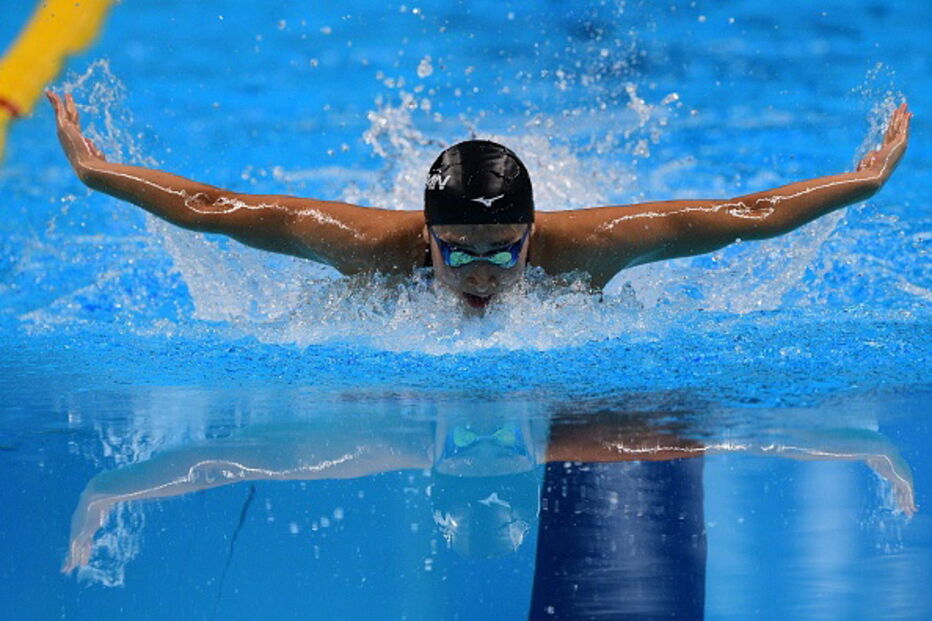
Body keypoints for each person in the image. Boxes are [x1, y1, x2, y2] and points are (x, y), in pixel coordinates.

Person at [47, 91, 911, 310]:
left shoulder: (589, 249)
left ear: (533, 234)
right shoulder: (369, 248)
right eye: (456, 249)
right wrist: (96, 172)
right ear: (424, 235)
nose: (481, 274)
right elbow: (214, 206)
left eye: (503, 251)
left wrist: (860, 184)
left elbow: (740, 217)